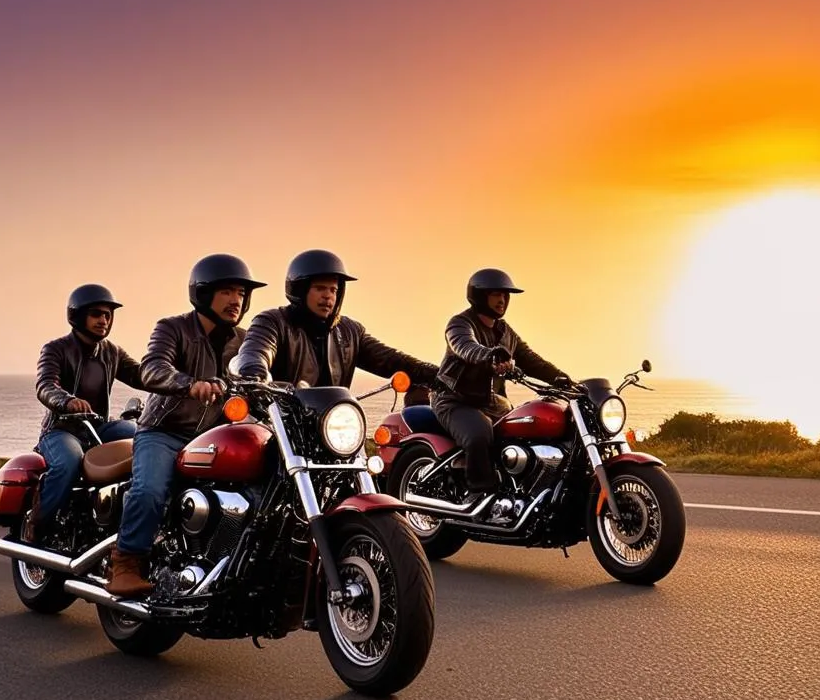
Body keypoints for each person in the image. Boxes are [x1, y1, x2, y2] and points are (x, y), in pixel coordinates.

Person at [105, 254, 265, 597]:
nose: (235, 300)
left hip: (214, 437)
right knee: (149, 490)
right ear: (203, 294)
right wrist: (189, 383)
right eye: (226, 292)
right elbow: (151, 368)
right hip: (164, 431)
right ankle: (126, 562)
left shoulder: (246, 339)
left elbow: (262, 373)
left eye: (240, 293)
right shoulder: (173, 328)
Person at [431, 268, 569, 494]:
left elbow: (532, 360)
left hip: (492, 402)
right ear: (479, 296)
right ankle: (478, 493)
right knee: (479, 433)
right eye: (496, 294)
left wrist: (563, 380)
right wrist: (489, 355)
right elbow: (465, 346)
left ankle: (525, 490)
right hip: (455, 400)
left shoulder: (506, 332)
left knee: (527, 428)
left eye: (506, 295)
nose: (503, 299)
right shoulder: (460, 324)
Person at [25, 284, 144, 543]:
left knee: (144, 439)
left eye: (108, 315)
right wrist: (67, 401)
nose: (104, 320)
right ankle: (38, 524)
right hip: (61, 429)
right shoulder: (55, 349)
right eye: (96, 314)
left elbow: (142, 375)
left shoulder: (112, 352)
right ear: (77, 315)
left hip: (98, 426)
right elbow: (46, 385)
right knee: (69, 462)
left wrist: (182, 382)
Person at [235, 249, 439, 392]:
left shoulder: (350, 332)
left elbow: (390, 360)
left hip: (333, 422)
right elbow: (256, 351)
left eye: (333, 290)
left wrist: (439, 375)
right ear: (300, 290)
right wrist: (255, 374)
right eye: (320, 288)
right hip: (280, 422)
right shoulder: (272, 322)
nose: (328, 296)